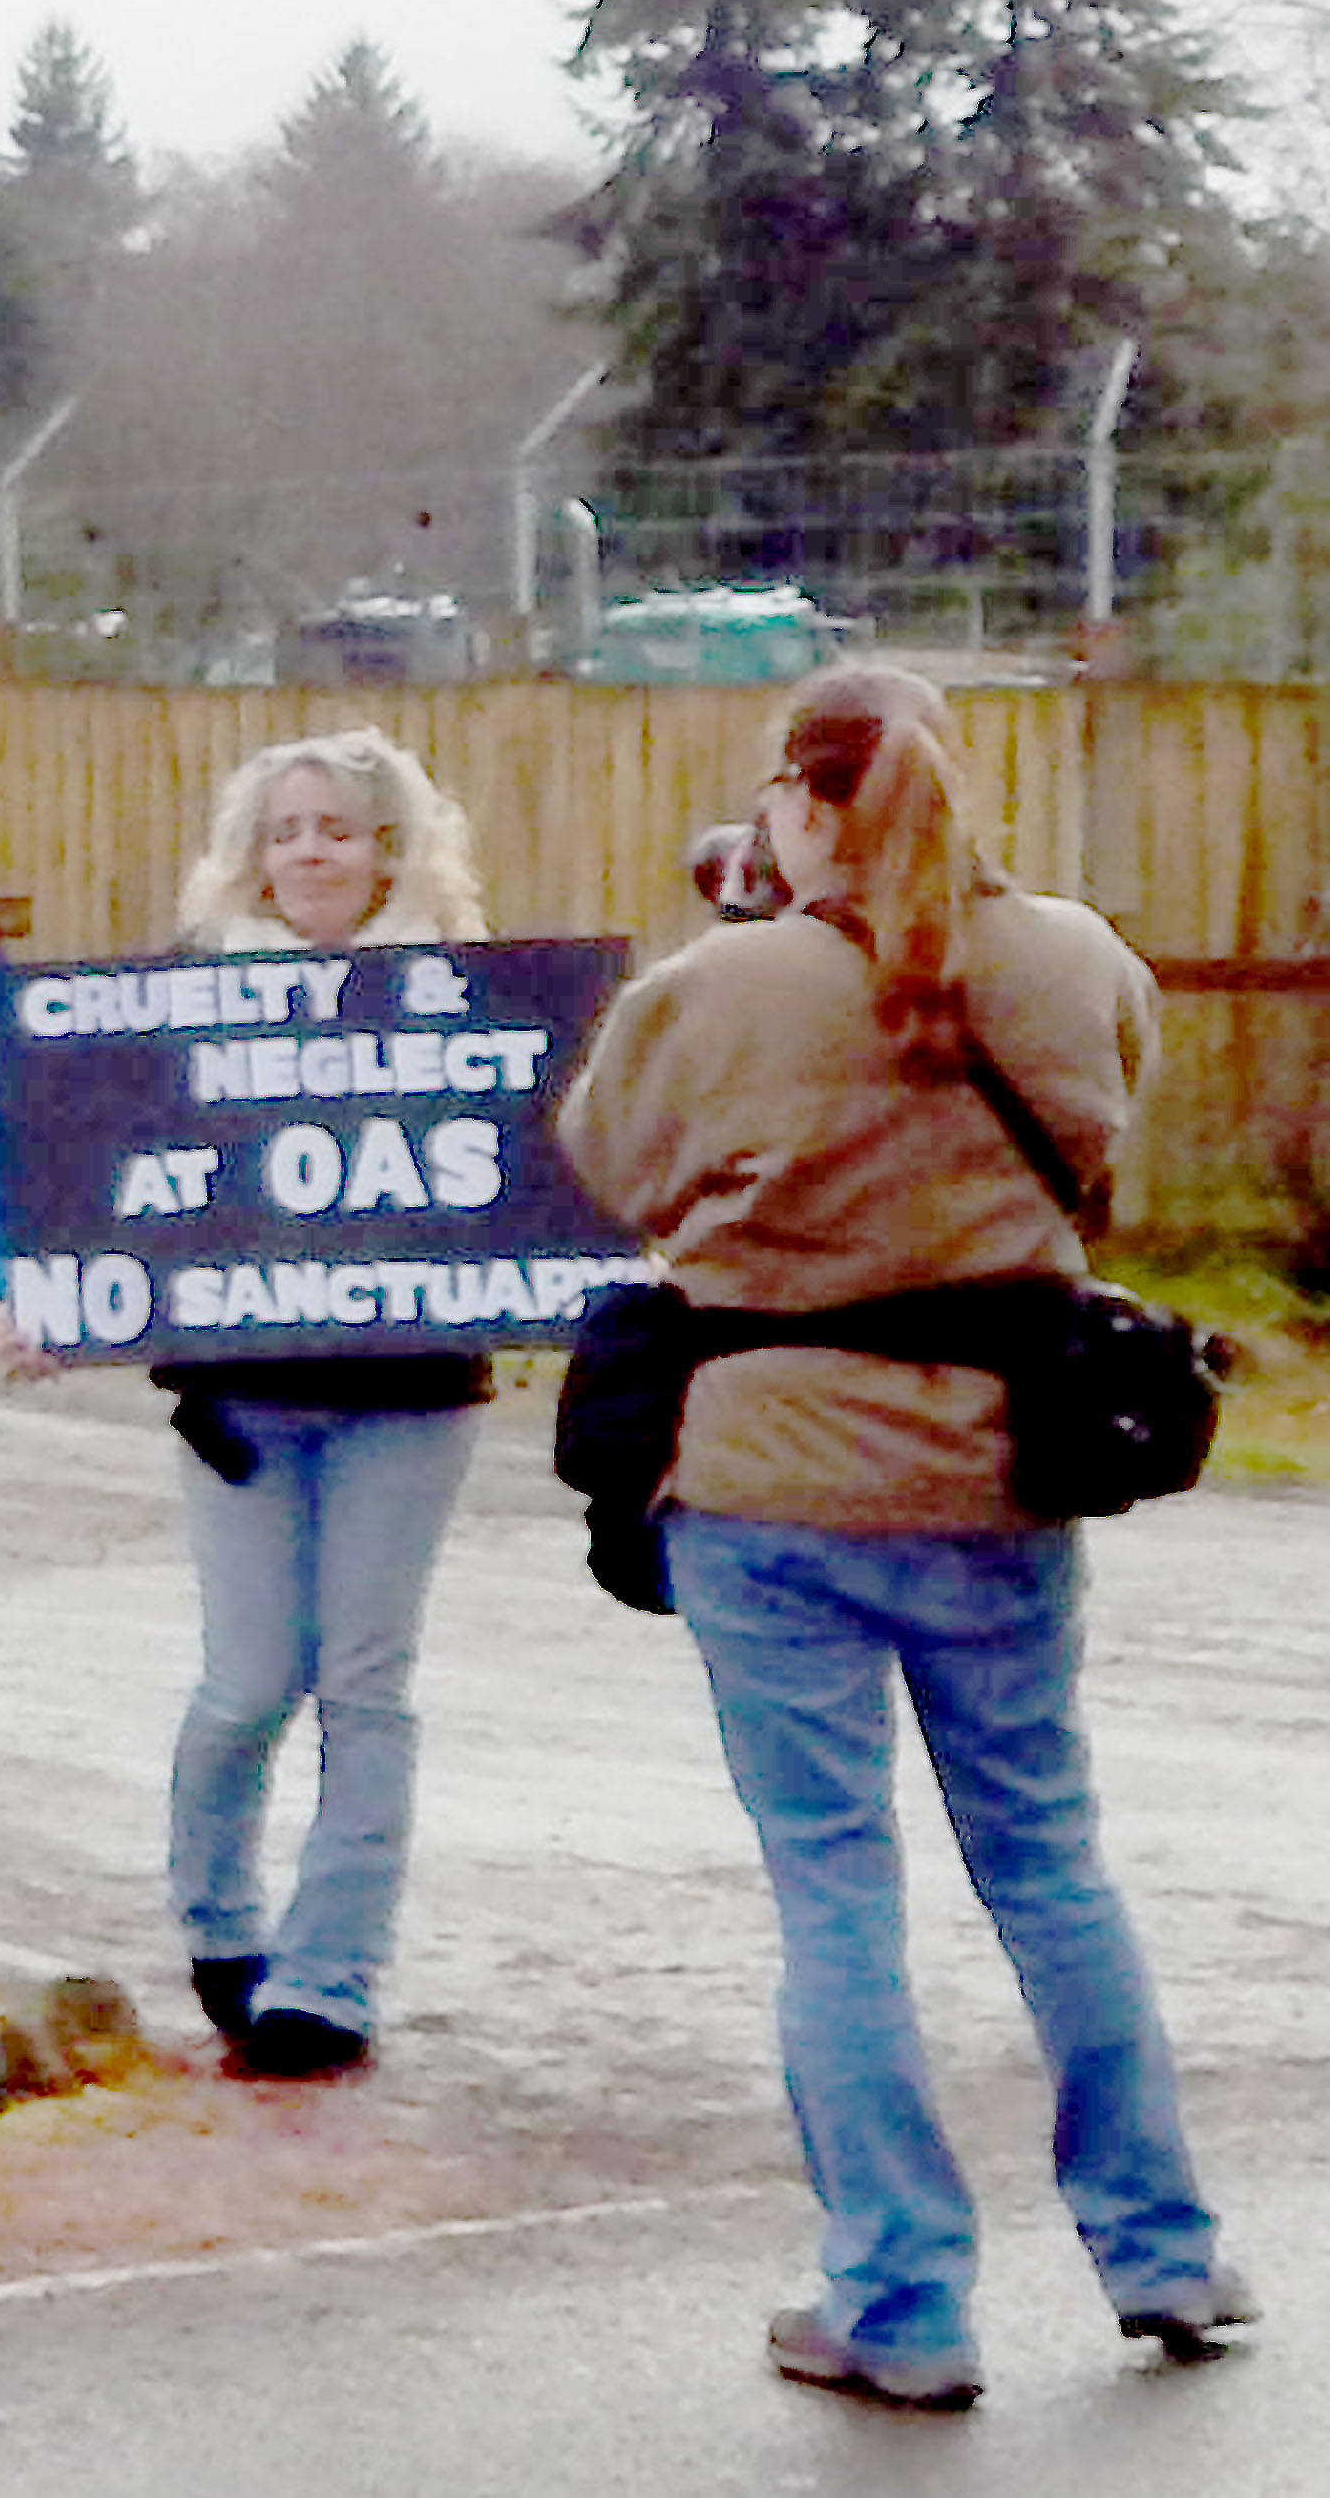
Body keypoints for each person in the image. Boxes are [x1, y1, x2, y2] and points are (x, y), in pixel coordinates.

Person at [555, 661, 1248, 2411]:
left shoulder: (724, 980)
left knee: (837, 1889)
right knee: (1050, 1861)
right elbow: (1093, 1165)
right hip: (994, 1470)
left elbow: (613, 1164)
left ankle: (903, 2296)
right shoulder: (1081, 959)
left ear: (795, 802)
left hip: (767, 1476)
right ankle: (1160, 2247)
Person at [149, 726, 491, 2082]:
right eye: (285, 830)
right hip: (240, 1403)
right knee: (246, 1683)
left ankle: (330, 1978)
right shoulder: (180, 1003)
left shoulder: (464, 1001)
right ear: (252, 855)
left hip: (408, 1400)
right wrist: (64, 1297)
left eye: (337, 828)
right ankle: (219, 1926)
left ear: (389, 850)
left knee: (367, 1685)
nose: (309, 852)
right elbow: (117, 1177)